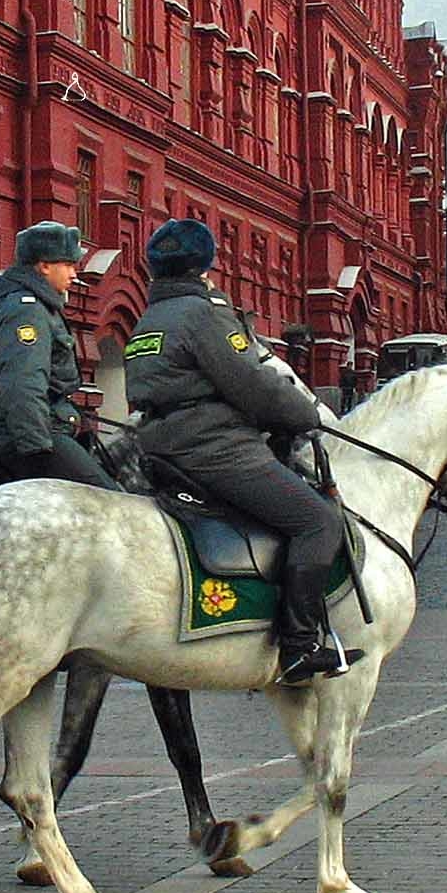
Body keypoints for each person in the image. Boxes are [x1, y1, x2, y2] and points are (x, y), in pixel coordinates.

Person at [125, 218, 360, 685]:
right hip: (214, 448)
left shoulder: (149, 319)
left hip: (160, 446)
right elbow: (251, 384)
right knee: (318, 520)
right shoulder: (205, 314)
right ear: (203, 266)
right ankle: (298, 648)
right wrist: (304, 414)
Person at [0, 220, 121, 492]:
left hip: (34, 426)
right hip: (19, 435)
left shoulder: (34, 305)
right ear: (45, 265)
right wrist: (38, 451)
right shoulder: (27, 310)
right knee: (110, 500)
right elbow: (23, 382)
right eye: (69, 265)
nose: (75, 274)